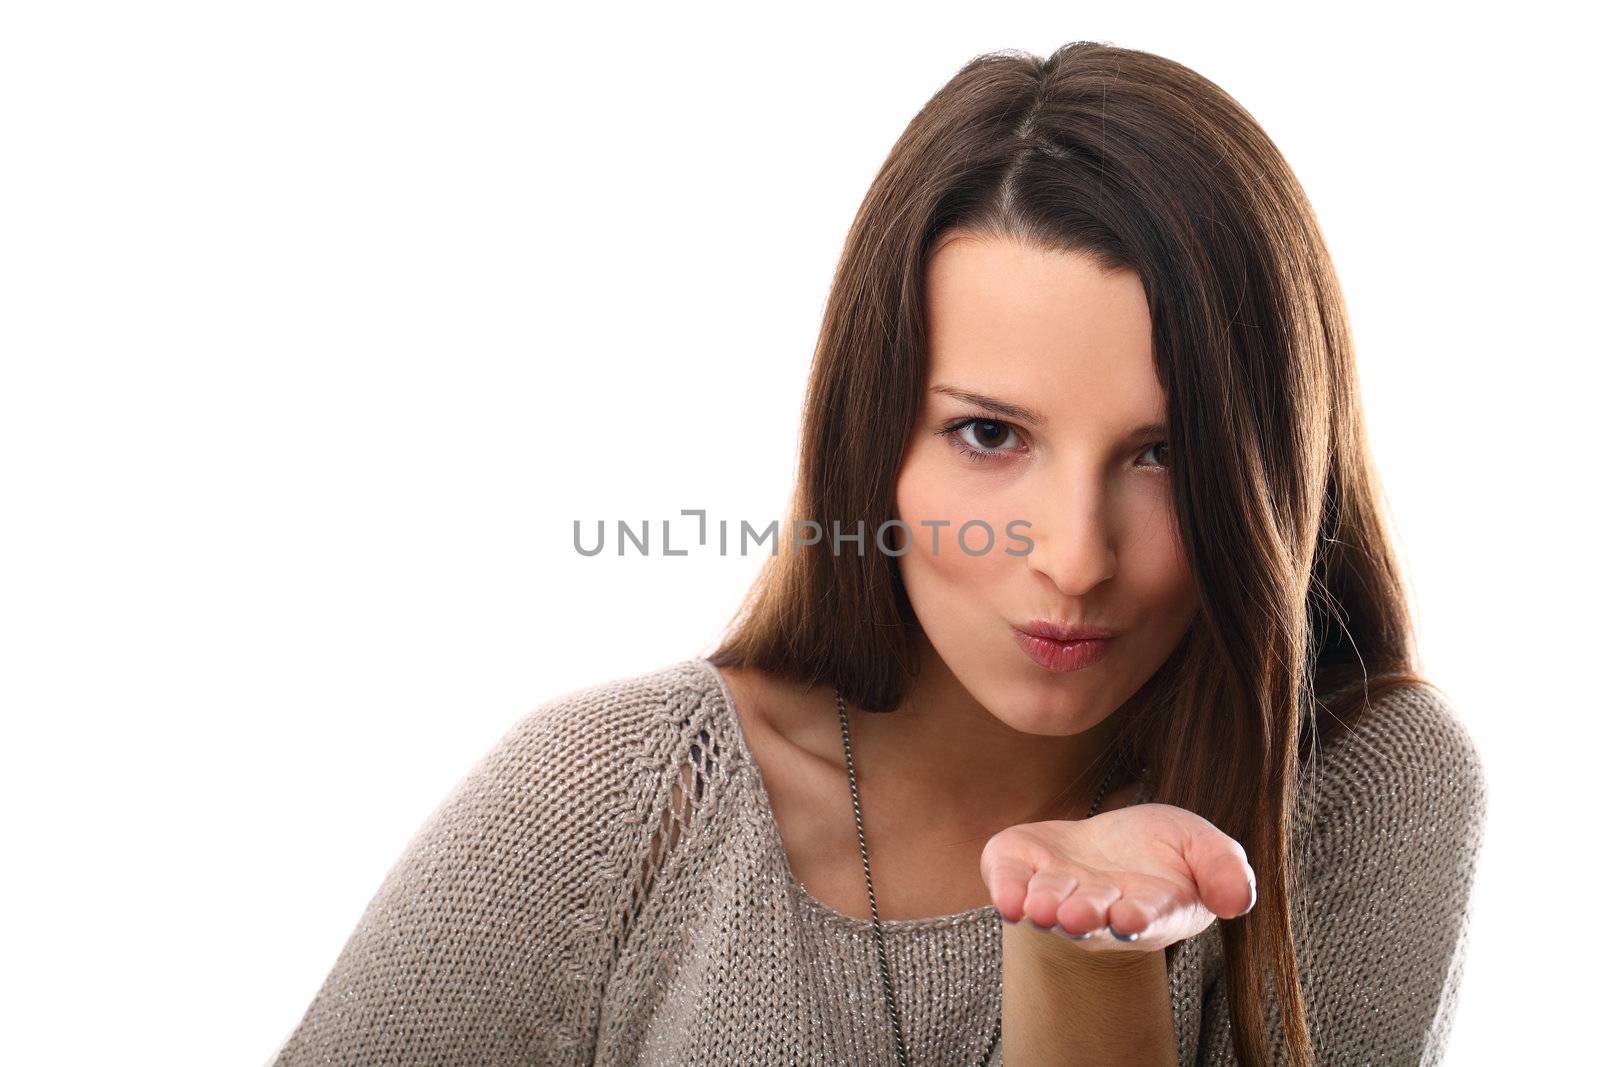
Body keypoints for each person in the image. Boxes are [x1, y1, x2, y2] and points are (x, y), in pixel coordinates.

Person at [268, 41, 1487, 1066]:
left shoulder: (1355, 785)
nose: (1072, 557)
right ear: (874, 444)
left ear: (1273, 467)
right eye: (989, 434)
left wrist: (1088, 960)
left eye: (1162, 454)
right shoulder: (614, 799)